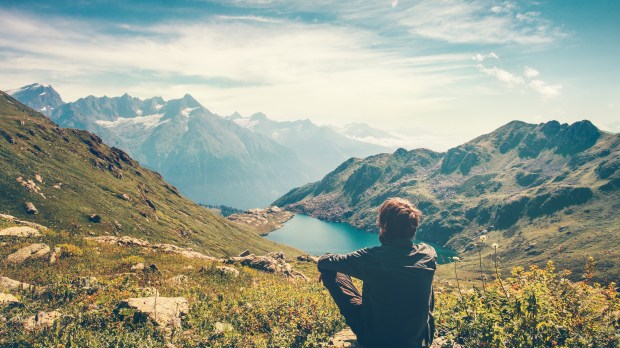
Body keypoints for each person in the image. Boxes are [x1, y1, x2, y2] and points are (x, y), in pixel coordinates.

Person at [317, 197, 436, 348]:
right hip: (419, 341)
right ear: (413, 228)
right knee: (425, 278)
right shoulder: (428, 254)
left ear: (384, 226)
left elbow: (323, 261)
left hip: (375, 341)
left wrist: (331, 268)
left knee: (331, 271)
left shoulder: (371, 258)